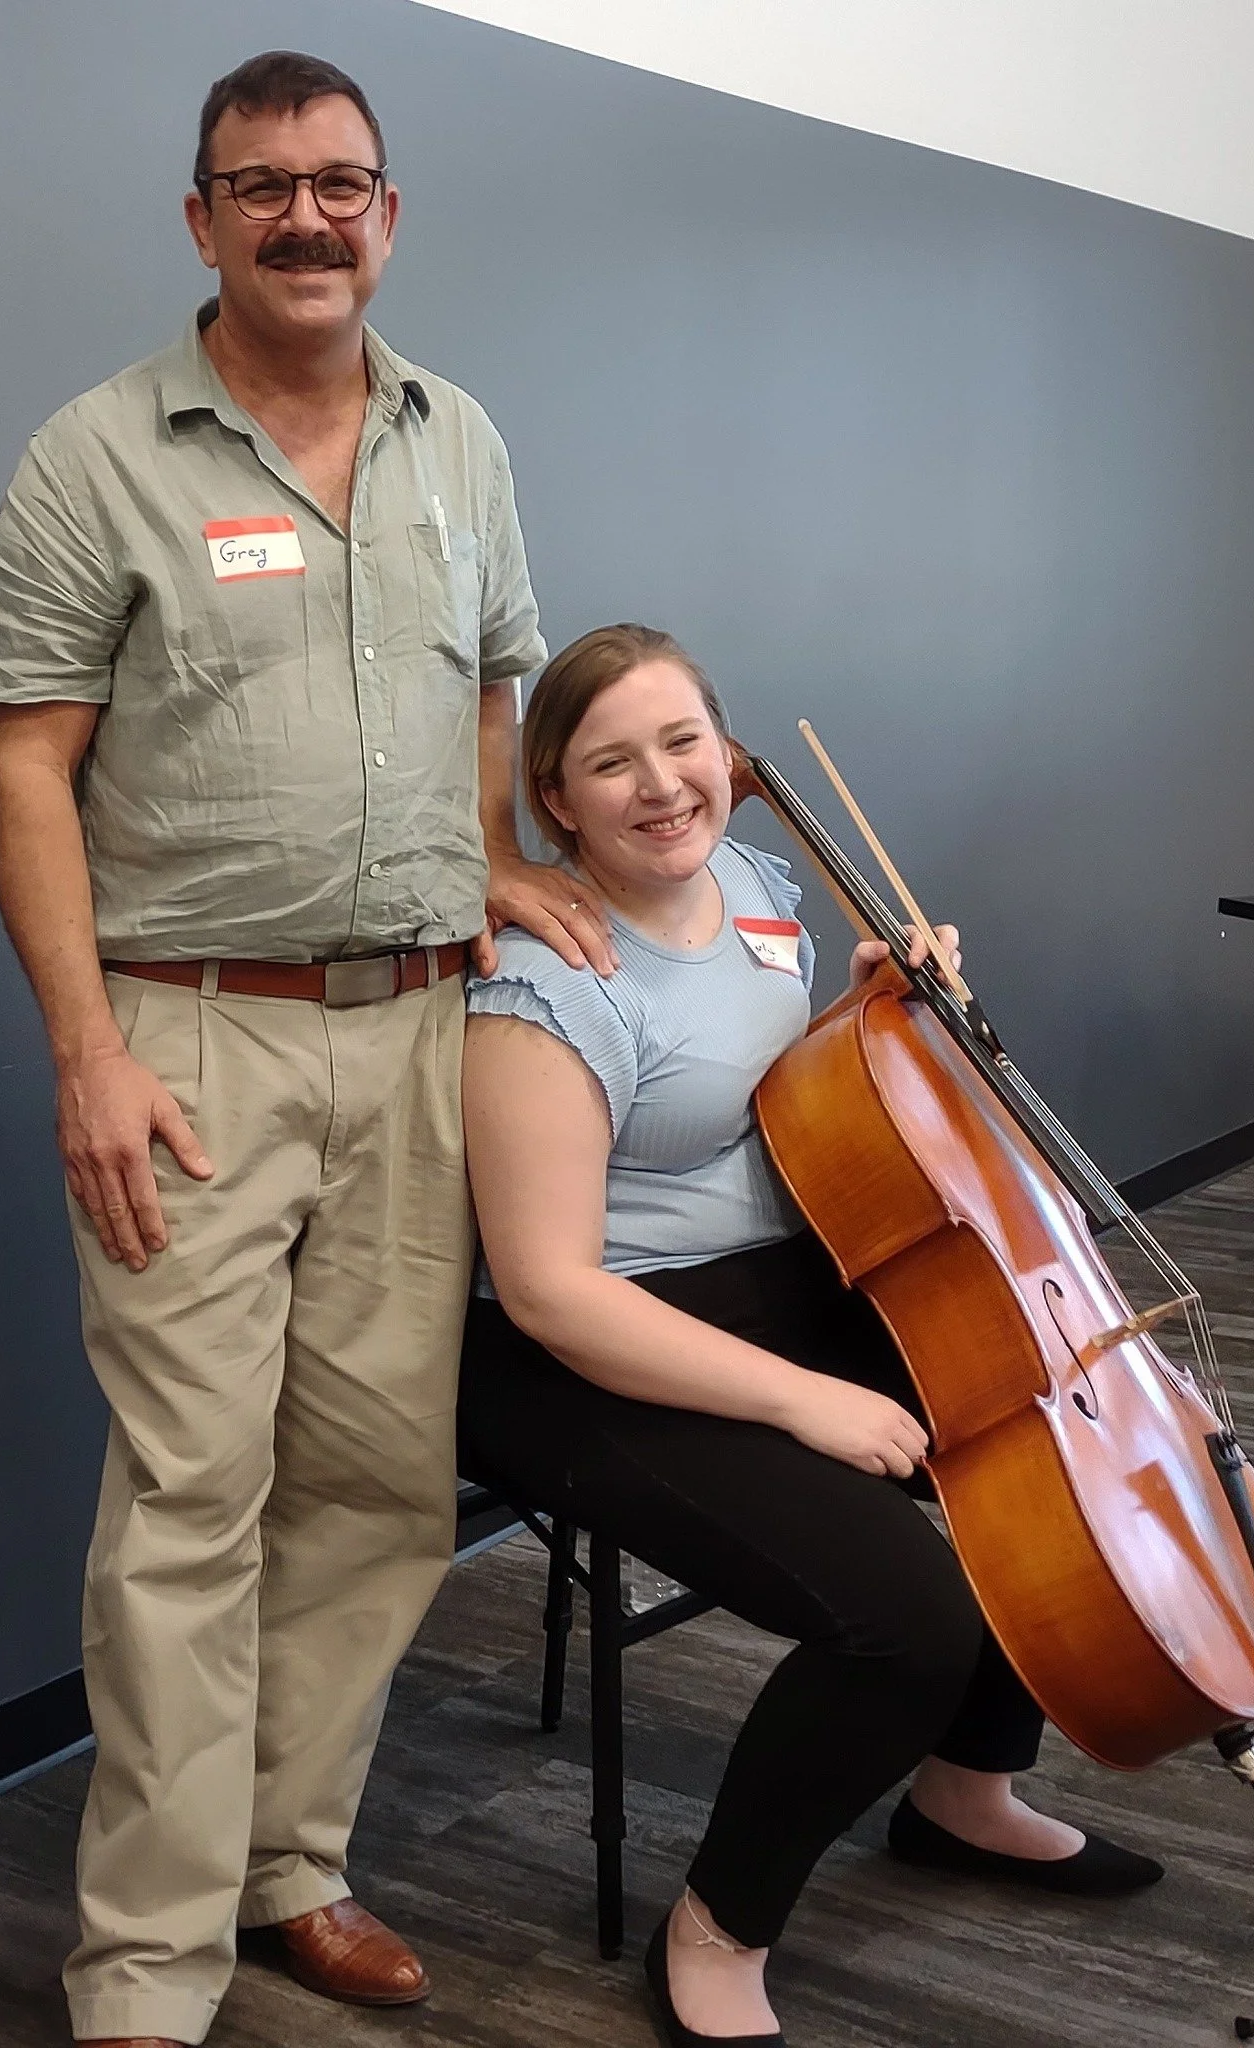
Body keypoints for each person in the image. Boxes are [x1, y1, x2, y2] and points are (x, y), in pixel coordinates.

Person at [0, 51, 614, 2048]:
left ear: (387, 215)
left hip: (417, 1037)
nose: (304, 218)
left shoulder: (459, 440)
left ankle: (286, 1864)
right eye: (261, 186)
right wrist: (85, 1051)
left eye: (339, 183)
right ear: (203, 220)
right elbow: (25, 762)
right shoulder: (95, 455)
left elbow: (497, 676)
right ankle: (145, 1968)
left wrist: (490, 860)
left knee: (376, 1489)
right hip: (190, 1042)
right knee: (189, 1498)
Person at [459, 623, 1163, 2046]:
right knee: (907, 1619)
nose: (663, 785)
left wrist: (881, 1007)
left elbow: (782, 1086)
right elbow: (548, 1290)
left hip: (776, 1280)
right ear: (556, 801)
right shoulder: (543, 987)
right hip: (587, 1348)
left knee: (1030, 1431)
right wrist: (799, 1400)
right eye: (612, 762)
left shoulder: (755, 887)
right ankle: (718, 1927)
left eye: (683, 743)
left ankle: (963, 1794)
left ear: (729, 754)